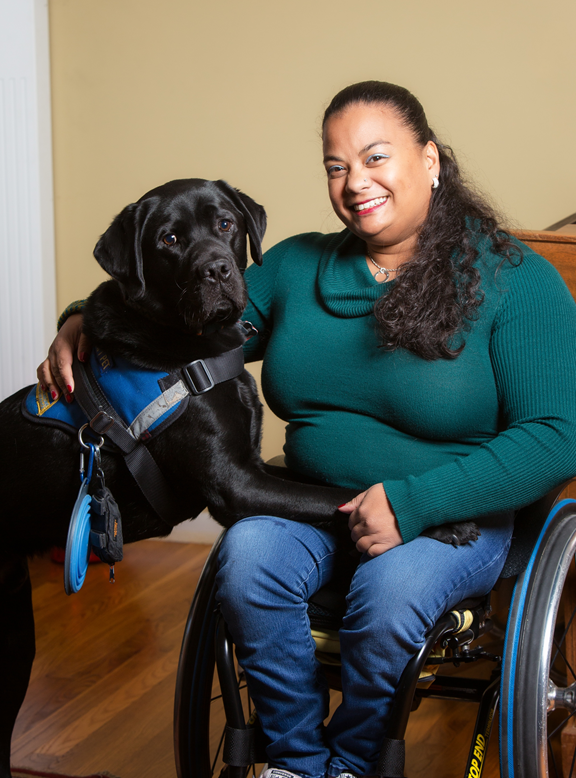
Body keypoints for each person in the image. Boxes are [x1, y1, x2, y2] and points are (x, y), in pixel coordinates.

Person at [40, 81, 576, 778]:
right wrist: (86, 316)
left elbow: (557, 434)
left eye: (376, 157)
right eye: (336, 166)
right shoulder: (295, 269)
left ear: (431, 160)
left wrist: (412, 504)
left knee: (390, 596)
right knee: (247, 560)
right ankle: (296, 762)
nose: (356, 183)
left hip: (455, 517)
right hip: (313, 505)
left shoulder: (517, 281)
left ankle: (352, 764)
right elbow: (179, 317)